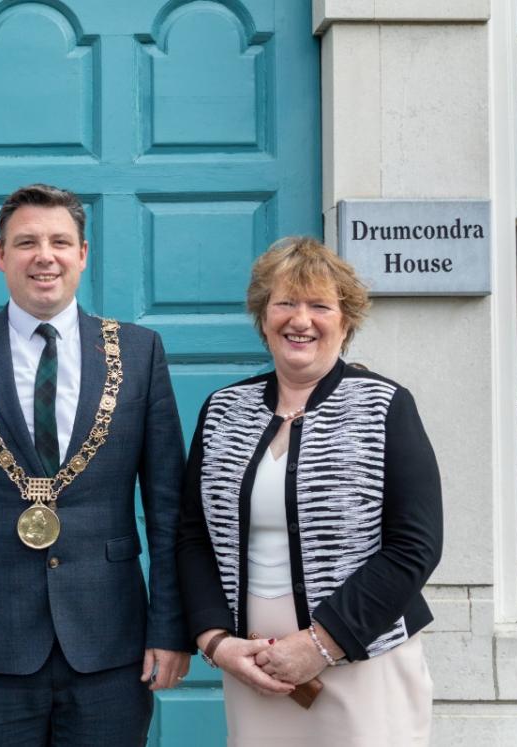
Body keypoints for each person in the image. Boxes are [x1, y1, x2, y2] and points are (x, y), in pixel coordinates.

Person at [0, 183, 190, 746]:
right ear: (1, 255)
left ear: (83, 254)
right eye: (26, 242)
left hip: (111, 645)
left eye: (60, 241)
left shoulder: (138, 350)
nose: (44, 255)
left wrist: (170, 629)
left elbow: (168, 509)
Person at [176, 236, 443, 746]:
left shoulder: (385, 405)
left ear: (346, 321)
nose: (301, 320)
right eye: (286, 303)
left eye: (320, 305)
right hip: (254, 663)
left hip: (364, 659)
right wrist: (216, 641)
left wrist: (321, 644)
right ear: (264, 316)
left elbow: (416, 545)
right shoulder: (223, 410)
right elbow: (193, 537)